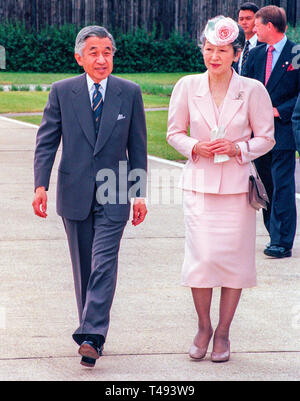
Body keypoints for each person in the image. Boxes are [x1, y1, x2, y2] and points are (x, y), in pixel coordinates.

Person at [32, 26, 148, 368]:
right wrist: (41, 185)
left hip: (116, 189)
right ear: (79, 57)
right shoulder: (62, 91)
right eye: (94, 52)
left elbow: (138, 148)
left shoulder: (129, 92)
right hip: (74, 190)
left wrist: (138, 193)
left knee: (104, 262)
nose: (102, 59)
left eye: (108, 52)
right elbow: (47, 140)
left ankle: (93, 334)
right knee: (84, 266)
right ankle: (90, 331)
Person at [167, 16, 275, 363]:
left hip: (236, 191)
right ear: (202, 50)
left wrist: (238, 150)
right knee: (201, 260)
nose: (214, 56)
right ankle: (203, 326)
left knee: (233, 263)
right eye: (209, 49)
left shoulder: (253, 90)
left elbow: (266, 138)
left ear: (236, 53)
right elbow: (173, 133)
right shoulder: (186, 86)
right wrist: (196, 147)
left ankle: (224, 332)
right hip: (199, 187)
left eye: (223, 50)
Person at [244, 6, 300, 258]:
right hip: (257, 135)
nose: (253, 30)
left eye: (257, 25)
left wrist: (280, 110)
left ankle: (282, 241)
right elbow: (243, 88)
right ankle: (273, 233)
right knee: (266, 187)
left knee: (283, 185)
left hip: (284, 131)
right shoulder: (254, 54)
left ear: (269, 26)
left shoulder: (296, 53)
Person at [233, 2, 262, 75]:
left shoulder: (265, 45)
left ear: (257, 20)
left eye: (248, 18)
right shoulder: (234, 44)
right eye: (241, 19)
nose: (244, 22)